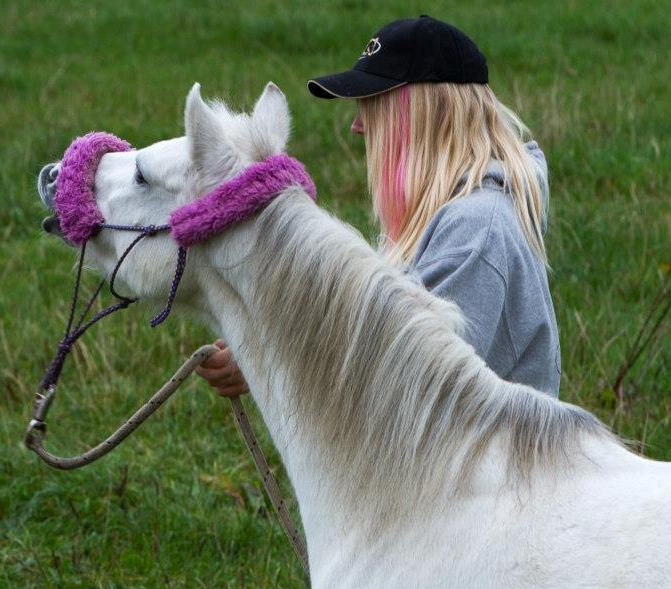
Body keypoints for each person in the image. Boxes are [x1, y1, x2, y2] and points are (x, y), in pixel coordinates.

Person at [197, 15, 561, 398]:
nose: (357, 126)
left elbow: (411, 382)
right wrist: (262, 354)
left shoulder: (476, 229)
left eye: (371, 106)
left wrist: (269, 361)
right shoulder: (448, 214)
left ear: (422, 116)